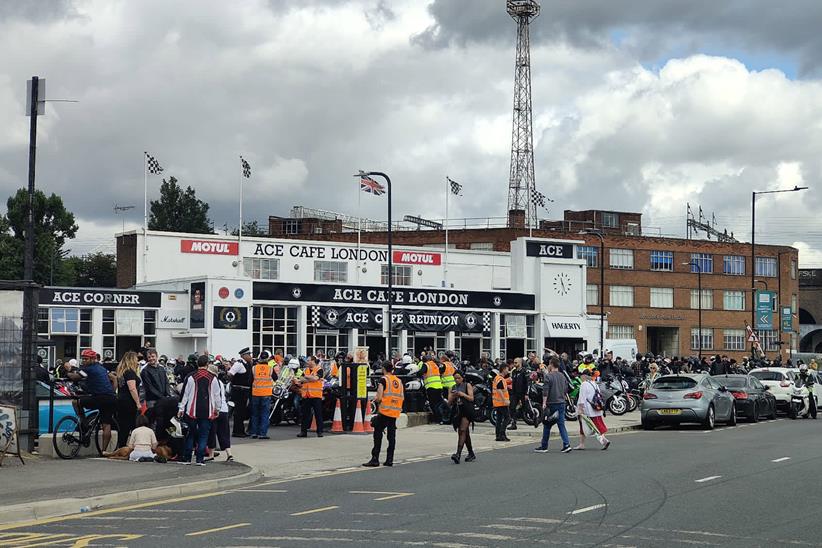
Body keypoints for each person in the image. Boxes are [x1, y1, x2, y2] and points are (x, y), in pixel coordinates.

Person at [63, 348, 117, 451]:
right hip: (110, 398)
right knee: (106, 425)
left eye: (86, 359)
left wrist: (67, 373)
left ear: (92, 359)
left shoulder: (88, 369)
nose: (84, 361)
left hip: (99, 397)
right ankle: (103, 451)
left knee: (75, 402)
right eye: (82, 359)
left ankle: (84, 424)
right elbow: (114, 378)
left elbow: (75, 377)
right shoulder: (102, 368)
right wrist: (112, 392)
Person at [178, 355, 222, 465]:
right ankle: (200, 459)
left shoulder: (190, 377)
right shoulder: (213, 378)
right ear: (207, 365)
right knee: (203, 435)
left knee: (190, 434)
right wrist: (217, 409)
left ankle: (187, 458)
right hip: (207, 410)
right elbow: (217, 396)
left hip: (191, 411)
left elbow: (185, 395)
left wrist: (181, 408)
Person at [363, 361, 404, 467]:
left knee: (377, 432)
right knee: (391, 436)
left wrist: (375, 400)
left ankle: (375, 458)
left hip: (385, 411)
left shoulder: (383, 380)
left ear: (383, 369)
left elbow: (379, 397)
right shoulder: (399, 381)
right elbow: (402, 396)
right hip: (394, 412)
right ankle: (389, 459)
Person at [534, 359, 571, 453]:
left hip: (551, 403)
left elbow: (545, 391)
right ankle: (566, 444)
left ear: (551, 365)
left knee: (547, 424)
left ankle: (544, 446)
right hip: (561, 402)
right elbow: (566, 389)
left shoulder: (548, 376)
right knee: (561, 424)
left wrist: (544, 403)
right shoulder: (562, 376)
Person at [575, 370, 610, 450]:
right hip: (596, 408)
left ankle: (604, 441)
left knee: (592, 427)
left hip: (587, 410)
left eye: (581, 375)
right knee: (595, 426)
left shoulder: (584, 384)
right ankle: (581, 444)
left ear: (584, 376)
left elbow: (582, 398)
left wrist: (580, 409)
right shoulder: (594, 384)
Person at [115, 351, 143, 448]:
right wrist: (138, 403)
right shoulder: (130, 372)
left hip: (121, 400)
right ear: (131, 360)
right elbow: (132, 388)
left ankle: (121, 446)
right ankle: (136, 446)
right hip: (129, 402)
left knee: (123, 426)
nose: (137, 362)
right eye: (136, 359)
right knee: (132, 424)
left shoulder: (121, 372)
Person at [448, 371, 476, 463]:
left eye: (458, 378)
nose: (457, 380)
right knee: (465, 433)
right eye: (455, 378)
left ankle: (458, 454)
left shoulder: (467, 385)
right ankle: (471, 453)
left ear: (462, 378)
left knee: (462, 430)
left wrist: (462, 394)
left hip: (467, 410)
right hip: (458, 411)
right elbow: (449, 402)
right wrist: (453, 396)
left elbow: (471, 398)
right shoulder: (453, 387)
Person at [249, 351, 275, 439]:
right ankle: (262, 434)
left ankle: (254, 433)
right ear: (267, 358)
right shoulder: (270, 369)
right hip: (266, 394)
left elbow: (250, 380)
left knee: (255, 414)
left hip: (255, 393)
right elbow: (276, 378)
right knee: (264, 414)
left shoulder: (254, 368)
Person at [296, 356, 324, 437]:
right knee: (305, 414)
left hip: (316, 395)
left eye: (308, 360)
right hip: (306, 395)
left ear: (313, 361)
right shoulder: (305, 370)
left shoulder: (319, 369)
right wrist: (309, 378)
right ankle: (303, 432)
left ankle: (320, 432)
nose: (307, 362)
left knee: (318, 414)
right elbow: (300, 379)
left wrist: (306, 377)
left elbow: (316, 378)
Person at [229, 348, 253, 437]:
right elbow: (230, 374)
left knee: (242, 411)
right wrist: (234, 384)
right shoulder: (239, 364)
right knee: (238, 412)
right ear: (244, 355)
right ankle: (237, 431)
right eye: (249, 354)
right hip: (239, 390)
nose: (250, 356)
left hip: (245, 390)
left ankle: (241, 430)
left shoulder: (247, 364)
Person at [420, 353, 444, 424]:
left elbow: (421, 372)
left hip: (431, 387)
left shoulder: (426, 365)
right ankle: (442, 419)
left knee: (433, 404)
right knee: (438, 403)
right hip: (439, 386)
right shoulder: (434, 364)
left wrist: (416, 373)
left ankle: (437, 419)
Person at [492, 363, 511, 442]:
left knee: (499, 419)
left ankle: (498, 436)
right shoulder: (500, 379)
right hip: (502, 403)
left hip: (497, 403)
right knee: (507, 418)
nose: (508, 370)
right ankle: (502, 434)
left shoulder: (497, 378)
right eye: (507, 369)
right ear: (503, 369)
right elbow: (499, 389)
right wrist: (505, 400)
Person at [508, 357, 529, 430]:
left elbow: (528, 383)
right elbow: (513, 383)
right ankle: (513, 423)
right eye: (514, 362)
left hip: (523, 392)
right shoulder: (514, 372)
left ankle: (535, 418)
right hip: (515, 393)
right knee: (512, 407)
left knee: (525, 407)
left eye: (516, 362)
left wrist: (526, 393)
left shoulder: (524, 371)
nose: (514, 364)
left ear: (520, 363)